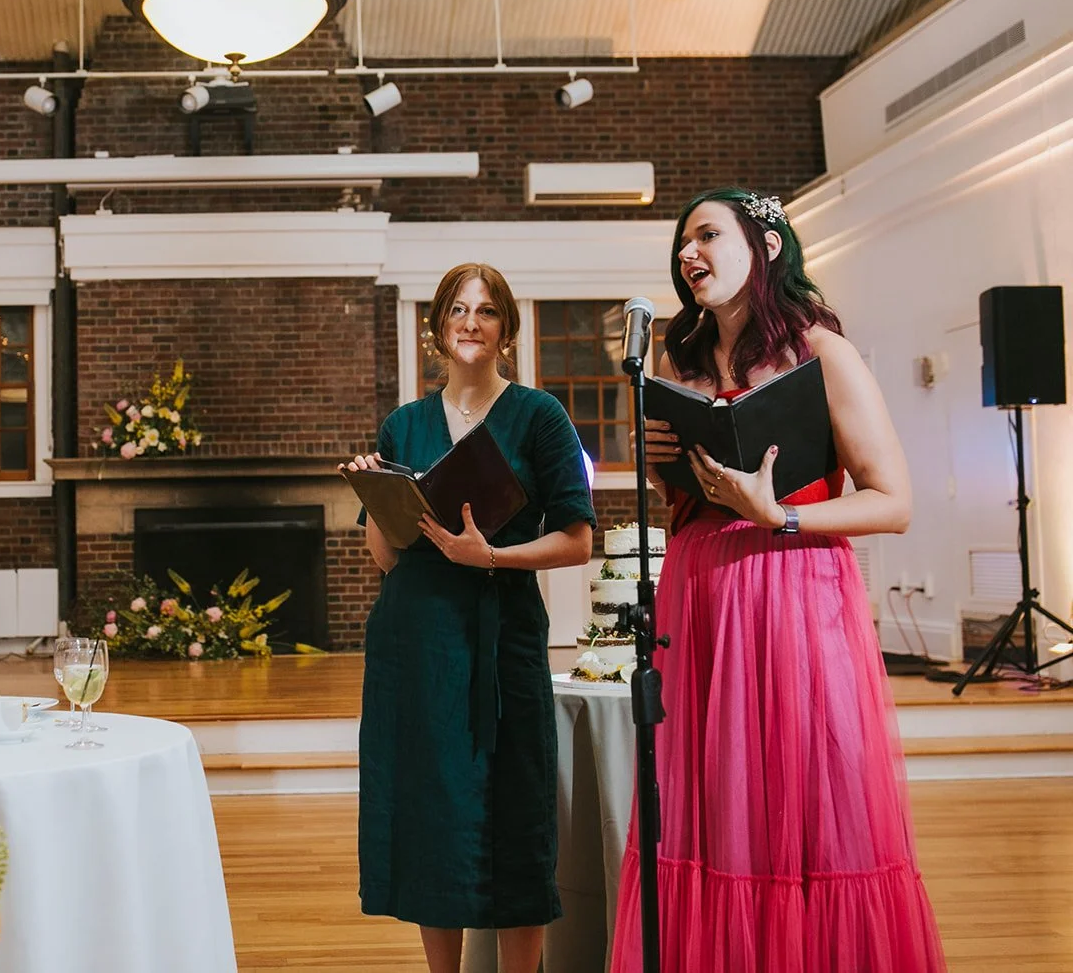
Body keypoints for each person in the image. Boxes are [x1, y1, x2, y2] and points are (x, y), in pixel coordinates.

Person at [610, 188, 943, 971]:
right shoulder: (676, 360)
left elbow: (892, 501)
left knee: (807, 804)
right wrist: (665, 465)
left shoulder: (820, 351)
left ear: (763, 245)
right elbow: (681, 506)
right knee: (714, 807)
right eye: (681, 243)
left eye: (706, 236)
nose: (689, 254)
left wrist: (780, 513)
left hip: (793, 593)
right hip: (701, 598)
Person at [342, 263, 596, 973]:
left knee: (517, 811)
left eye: (486, 311)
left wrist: (491, 555)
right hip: (417, 645)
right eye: (458, 309)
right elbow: (388, 558)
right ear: (437, 329)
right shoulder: (405, 423)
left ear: (506, 329)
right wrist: (378, 491)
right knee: (434, 813)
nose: (470, 322)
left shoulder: (539, 415)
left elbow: (578, 538)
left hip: (502, 639)